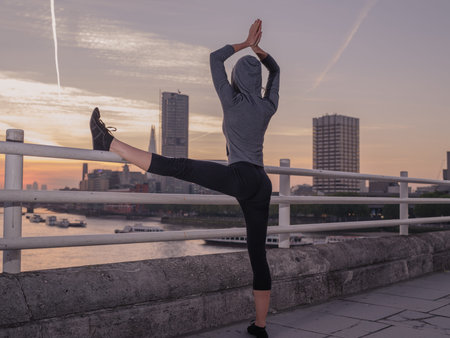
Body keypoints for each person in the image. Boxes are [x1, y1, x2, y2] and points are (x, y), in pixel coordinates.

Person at [89, 19, 279, 338]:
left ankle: (107, 142)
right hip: (261, 182)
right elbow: (276, 72)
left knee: (180, 167)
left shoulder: (231, 100)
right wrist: (261, 53)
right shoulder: (266, 105)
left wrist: (246, 44)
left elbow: (214, 58)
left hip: (241, 176)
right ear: (257, 81)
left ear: (235, 79)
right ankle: (260, 327)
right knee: (257, 254)